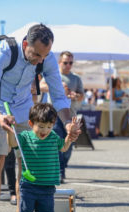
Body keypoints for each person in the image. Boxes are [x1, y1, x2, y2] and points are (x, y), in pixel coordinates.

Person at [0, 23, 81, 212]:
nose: (40, 61)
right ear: (26, 44)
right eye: (36, 54)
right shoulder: (4, 50)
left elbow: (59, 96)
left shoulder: (48, 58)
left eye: (44, 55)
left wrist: (68, 124)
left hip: (24, 108)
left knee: (26, 163)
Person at [8, 103, 79, 212]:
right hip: (29, 184)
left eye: (49, 126)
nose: (45, 130)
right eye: (40, 126)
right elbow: (12, 143)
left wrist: (69, 138)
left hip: (47, 185)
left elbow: (64, 147)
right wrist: (9, 130)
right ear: (30, 123)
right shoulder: (25, 136)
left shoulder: (53, 136)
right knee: (25, 211)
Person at [40, 51, 84, 183]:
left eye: (71, 62)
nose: (68, 65)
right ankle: (60, 171)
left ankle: (63, 165)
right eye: (65, 62)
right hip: (53, 113)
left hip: (70, 114)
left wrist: (75, 95)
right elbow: (41, 86)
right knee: (58, 142)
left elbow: (81, 95)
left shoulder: (76, 78)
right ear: (60, 62)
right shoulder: (54, 75)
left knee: (70, 143)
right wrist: (58, 89)